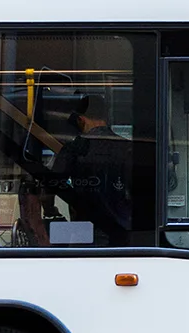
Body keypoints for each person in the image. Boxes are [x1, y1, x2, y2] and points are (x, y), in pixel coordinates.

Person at [46, 93, 132, 244]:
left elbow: (51, 187)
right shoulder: (127, 148)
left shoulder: (74, 149)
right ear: (106, 116)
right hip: (122, 229)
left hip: (84, 230)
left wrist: (50, 210)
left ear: (81, 119)